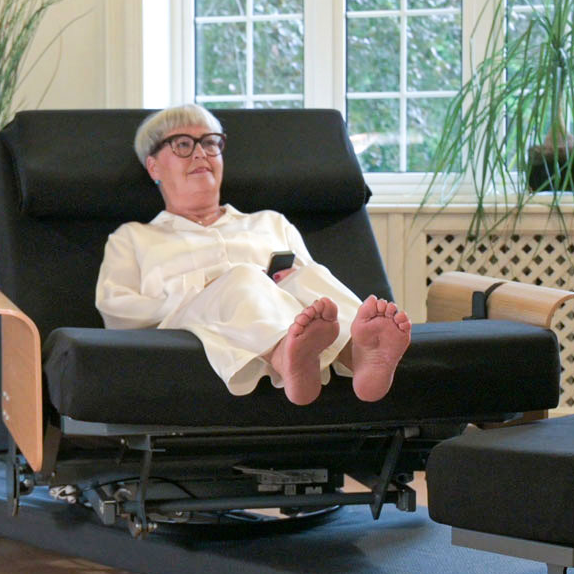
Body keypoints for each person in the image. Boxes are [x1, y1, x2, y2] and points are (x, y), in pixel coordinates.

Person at [95, 104, 413, 406]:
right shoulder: (133, 237)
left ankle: (359, 354)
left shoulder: (270, 222)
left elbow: (311, 295)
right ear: (153, 166)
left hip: (284, 310)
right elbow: (115, 309)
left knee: (309, 274)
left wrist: (285, 280)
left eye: (210, 143)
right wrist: (200, 287)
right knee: (243, 276)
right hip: (189, 323)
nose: (201, 153)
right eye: (183, 145)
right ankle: (286, 356)